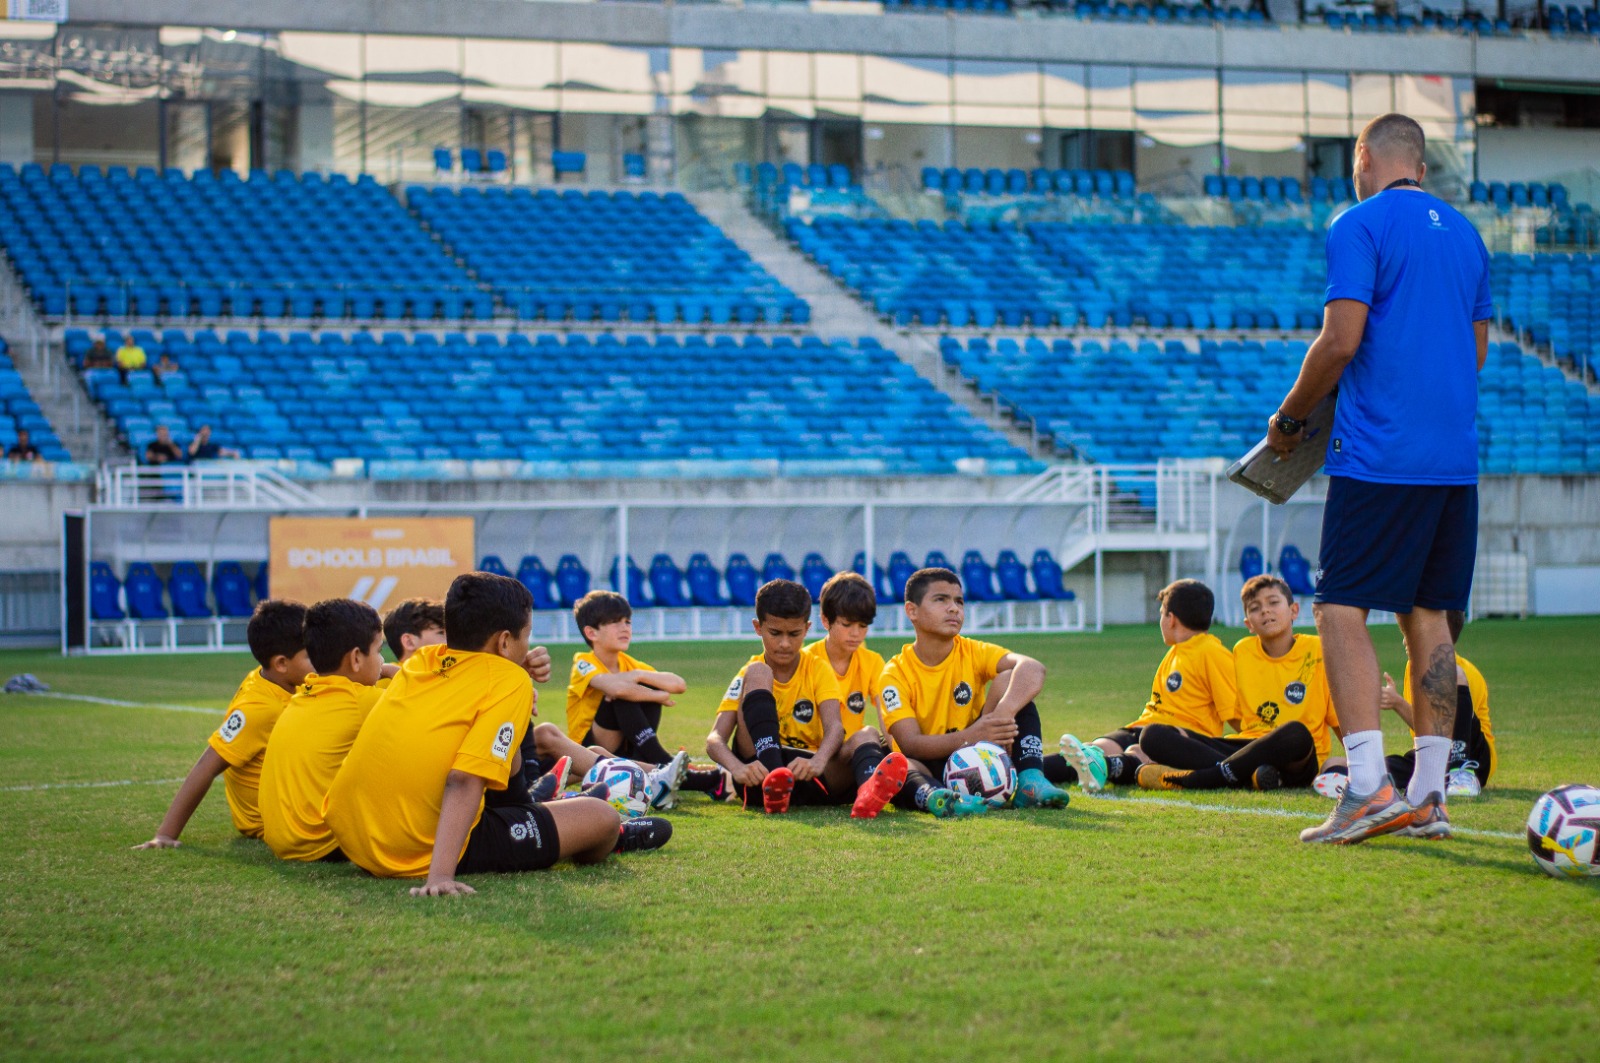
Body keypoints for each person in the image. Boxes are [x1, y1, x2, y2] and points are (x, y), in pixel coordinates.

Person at [1266, 113, 1492, 844]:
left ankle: (1366, 786)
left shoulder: (1357, 222)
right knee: (1428, 617)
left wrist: (1293, 416)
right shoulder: (1467, 234)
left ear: (1364, 157)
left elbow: (1342, 338)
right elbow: (1476, 351)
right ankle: (1429, 794)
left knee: (1338, 610)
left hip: (1381, 456)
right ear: (1421, 167)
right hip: (1453, 460)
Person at [326, 573, 669, 896]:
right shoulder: (508, 681)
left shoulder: (423, 661)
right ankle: (609, 835)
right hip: (417, 845)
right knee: (601, 816)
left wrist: (514, 664)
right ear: (505, 641)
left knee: (507, 748)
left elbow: (456, 681)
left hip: (355, 838)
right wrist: (441, 876)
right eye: (526, 635)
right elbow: (463, 779)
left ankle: (541, 808)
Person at [878, 567, 1071, 815]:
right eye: (941, 599)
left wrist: (1001, 716)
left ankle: (1030, 782)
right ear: (911, 610)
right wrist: (973, 734)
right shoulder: (894, 673)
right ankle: (940, 799)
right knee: (901, 766)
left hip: (978, 754)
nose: (954, 608)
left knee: (1011, 680)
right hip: (929, 764)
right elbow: (911, 744)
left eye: (959, 601)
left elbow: (1033, 669)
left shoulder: (972, 650)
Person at [133, 601, 312, 849]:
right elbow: (206, 766)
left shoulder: (273, 678)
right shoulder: (259, 709)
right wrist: (166, 834)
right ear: (281, 663)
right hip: (272, 820)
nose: (321, 658)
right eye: (311, 654)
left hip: (288, 803)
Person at [1136, 575, 1341, 791]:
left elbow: (1340, 719)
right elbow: (1236, 717)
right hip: (1247, 746)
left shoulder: (1317, 650)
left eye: (1273, 602)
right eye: (1255, 608)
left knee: (1296, 732)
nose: (1265, 611)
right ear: (1248, 623)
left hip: (1296, 756)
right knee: (1153, 735)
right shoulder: (1242, 651)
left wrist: (1360, 761)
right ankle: (1252, 776)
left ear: (1294, 610)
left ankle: (1205, 778)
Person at [1057, 579, 1237, 792]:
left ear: (1171, 619)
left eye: (1161, 613)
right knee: (1091, 750)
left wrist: (1254, 749)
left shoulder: (1212, 653)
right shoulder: (1176, 651)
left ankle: (1106, 767)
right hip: (1143, 726)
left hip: (1177, 737)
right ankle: (1023, 771)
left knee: (1138, 752)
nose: (1161, 619)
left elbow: (1234, 714)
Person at [705, 579, 858, 814]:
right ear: (758, 627)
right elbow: (715, 738)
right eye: (775, 633)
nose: (785, 643)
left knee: (866, 737)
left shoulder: (817, 668)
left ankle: (873, 792)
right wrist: (736, 768)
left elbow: (835, 727)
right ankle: (775, 774)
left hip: (804, 771)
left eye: (794, 634)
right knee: (758, 671)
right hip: (759, 776)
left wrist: (818, 761)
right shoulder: (750, 670)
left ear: (807, 629)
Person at [259, 598, 395, 862]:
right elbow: (420, 696)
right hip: (322, 843)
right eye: (379, 651)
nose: (382, 661)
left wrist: (380, 669)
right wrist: (394, 671)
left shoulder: (307, 691)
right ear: (356, 658)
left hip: (283, 840)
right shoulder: (360, 702)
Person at [565, 589, 727, 805]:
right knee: (624, 693)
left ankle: (654, 765)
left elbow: (678, 684)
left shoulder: (629, 664)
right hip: (588, 748)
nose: (625, 628)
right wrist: (655, 693)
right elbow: (614, 688)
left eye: (627, 621)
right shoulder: (583, 662)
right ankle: (670, 766)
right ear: (592, 633)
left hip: (626, 746)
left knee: (634, 687)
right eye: (615, 622)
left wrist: (640, 677)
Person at [1314, 609, 1494, 800]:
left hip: (1472, 758)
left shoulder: (1462, 672)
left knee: (1452, 672)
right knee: (1339, 764)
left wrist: (1398, 703)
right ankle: (1357, 780)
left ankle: (1461, 774)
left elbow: (1447, 729)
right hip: (1432, 755)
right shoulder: (1413, 667)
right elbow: (1428, 731)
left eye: (1411, 631)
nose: (1404, 640)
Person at [803, 571, 910, 820]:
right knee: (867, 734)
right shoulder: (807, 660)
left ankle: (869, 794)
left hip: (854, 760)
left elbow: (887, 716)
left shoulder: (871, 661)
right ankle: (870, 789)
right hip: (815, 765)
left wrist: (900, 758)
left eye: (862, 626)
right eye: (847, 624)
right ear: (826, 620)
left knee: (878, 738)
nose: (856, 634)